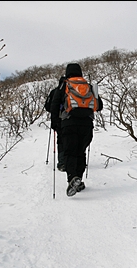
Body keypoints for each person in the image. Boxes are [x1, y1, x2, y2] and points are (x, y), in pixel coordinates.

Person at [49, 63, 103, 197]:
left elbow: (54, 105)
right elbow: (99, 106)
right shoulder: (88, 86)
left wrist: (55, 123)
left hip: (69, 123)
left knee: (70, 152)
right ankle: (78, 178)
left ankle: (72, 178)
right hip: (87, 124)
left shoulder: (64, 85)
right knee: (80, 152)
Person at [44, 85, 65, 171]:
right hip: (75, 119)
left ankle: (62, 162)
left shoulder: (56, 91)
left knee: (61, 140)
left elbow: (48, 107)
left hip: (59, 120)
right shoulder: (76, 89)